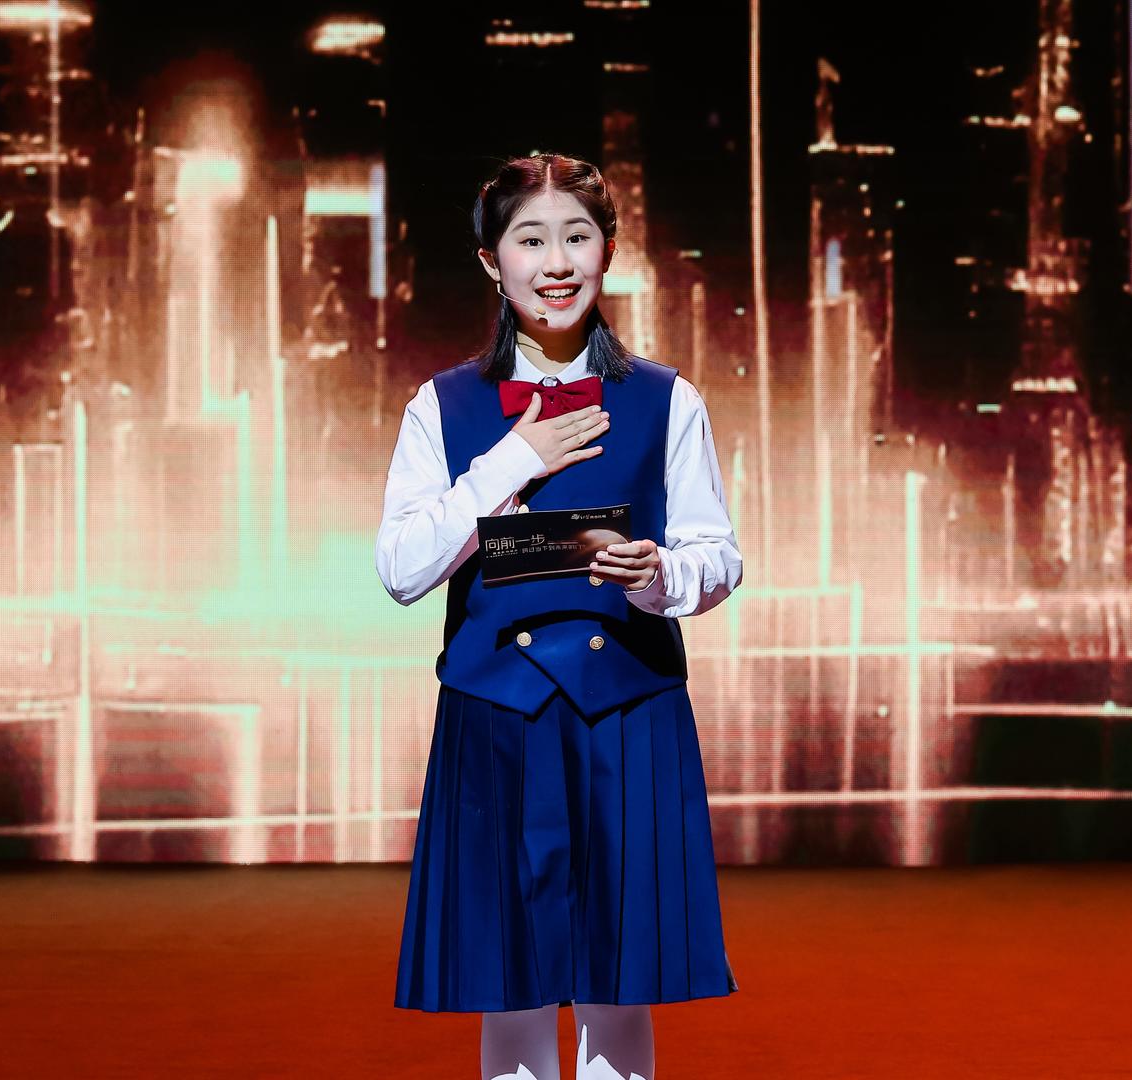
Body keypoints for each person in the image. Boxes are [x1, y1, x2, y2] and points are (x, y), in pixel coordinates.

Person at [376, 153, 742, 1080]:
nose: (556, 262)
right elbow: (402, 570)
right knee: (510, 983)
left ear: (608, 251)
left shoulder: (666, 398)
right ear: (491, 261)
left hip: (628, 709)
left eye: (576, 237)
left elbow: (718, 554)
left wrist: (659, 575)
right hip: (495, 715)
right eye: (530, 240)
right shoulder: (442, 406)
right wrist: (512, 461)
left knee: (621, 984)